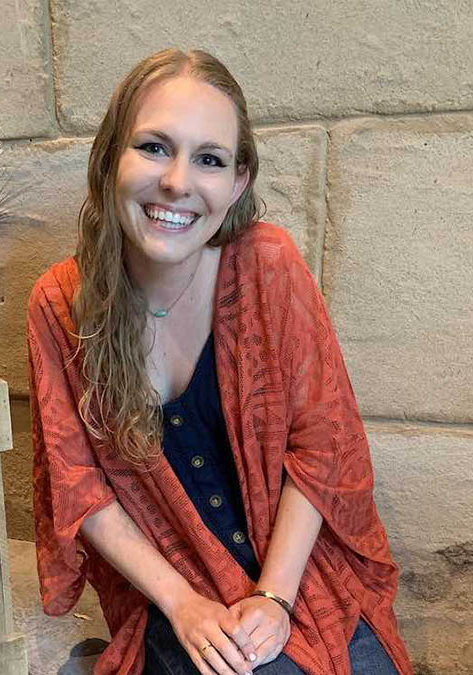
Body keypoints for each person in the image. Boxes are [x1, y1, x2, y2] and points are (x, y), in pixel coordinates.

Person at [27, 48, 413, 675]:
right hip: (175, 584)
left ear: (236, 183)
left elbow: (321, 445)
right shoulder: (58, 302)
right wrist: (182, 604)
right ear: (107, 161)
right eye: (153, 147)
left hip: (300, 570)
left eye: (208, 160)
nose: (178, 181)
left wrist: (274, 598)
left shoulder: (268, 265)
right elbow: (80, 489)